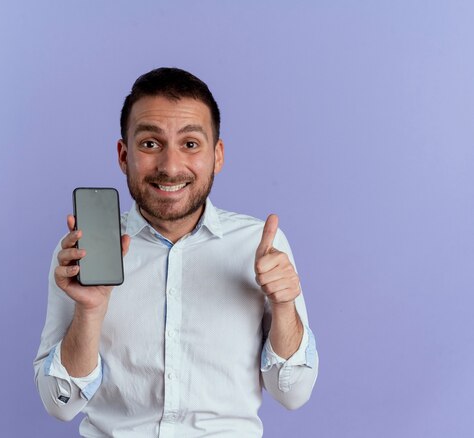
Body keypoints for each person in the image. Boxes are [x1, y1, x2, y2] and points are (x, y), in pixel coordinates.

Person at [34, 67, 319, 437]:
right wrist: (89, 312)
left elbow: (293, 394)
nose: (170, 167)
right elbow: (60, 405)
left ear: (217, 155)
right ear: (124, 156)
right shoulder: (79, 253)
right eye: (150, 144)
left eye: (190, 144)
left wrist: (284, 306)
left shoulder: (260, 246)